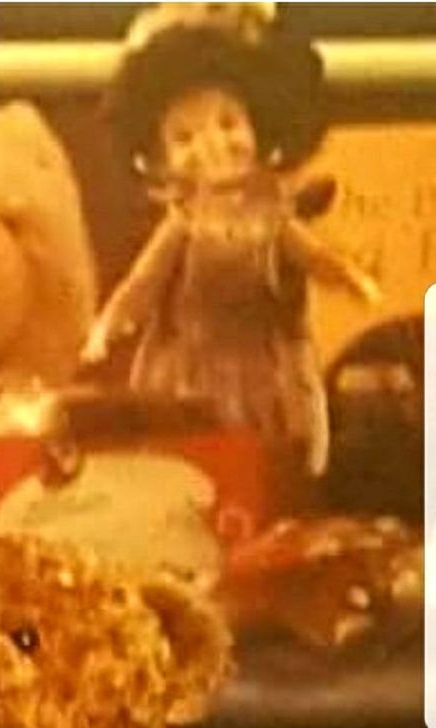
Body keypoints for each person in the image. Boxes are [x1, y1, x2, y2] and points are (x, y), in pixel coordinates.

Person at [83, 2, 382, 479]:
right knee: (190, 463)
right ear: (158, 158)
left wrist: (349, 278)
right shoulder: (182, 221)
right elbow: (145, 281)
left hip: (266, 368)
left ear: (262, 129)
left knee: (273, 467)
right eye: (184, 137)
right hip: (189, 369)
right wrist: (108, 326)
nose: (213, 146)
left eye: (228, 123)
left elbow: (311, 255)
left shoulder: (274, 216)